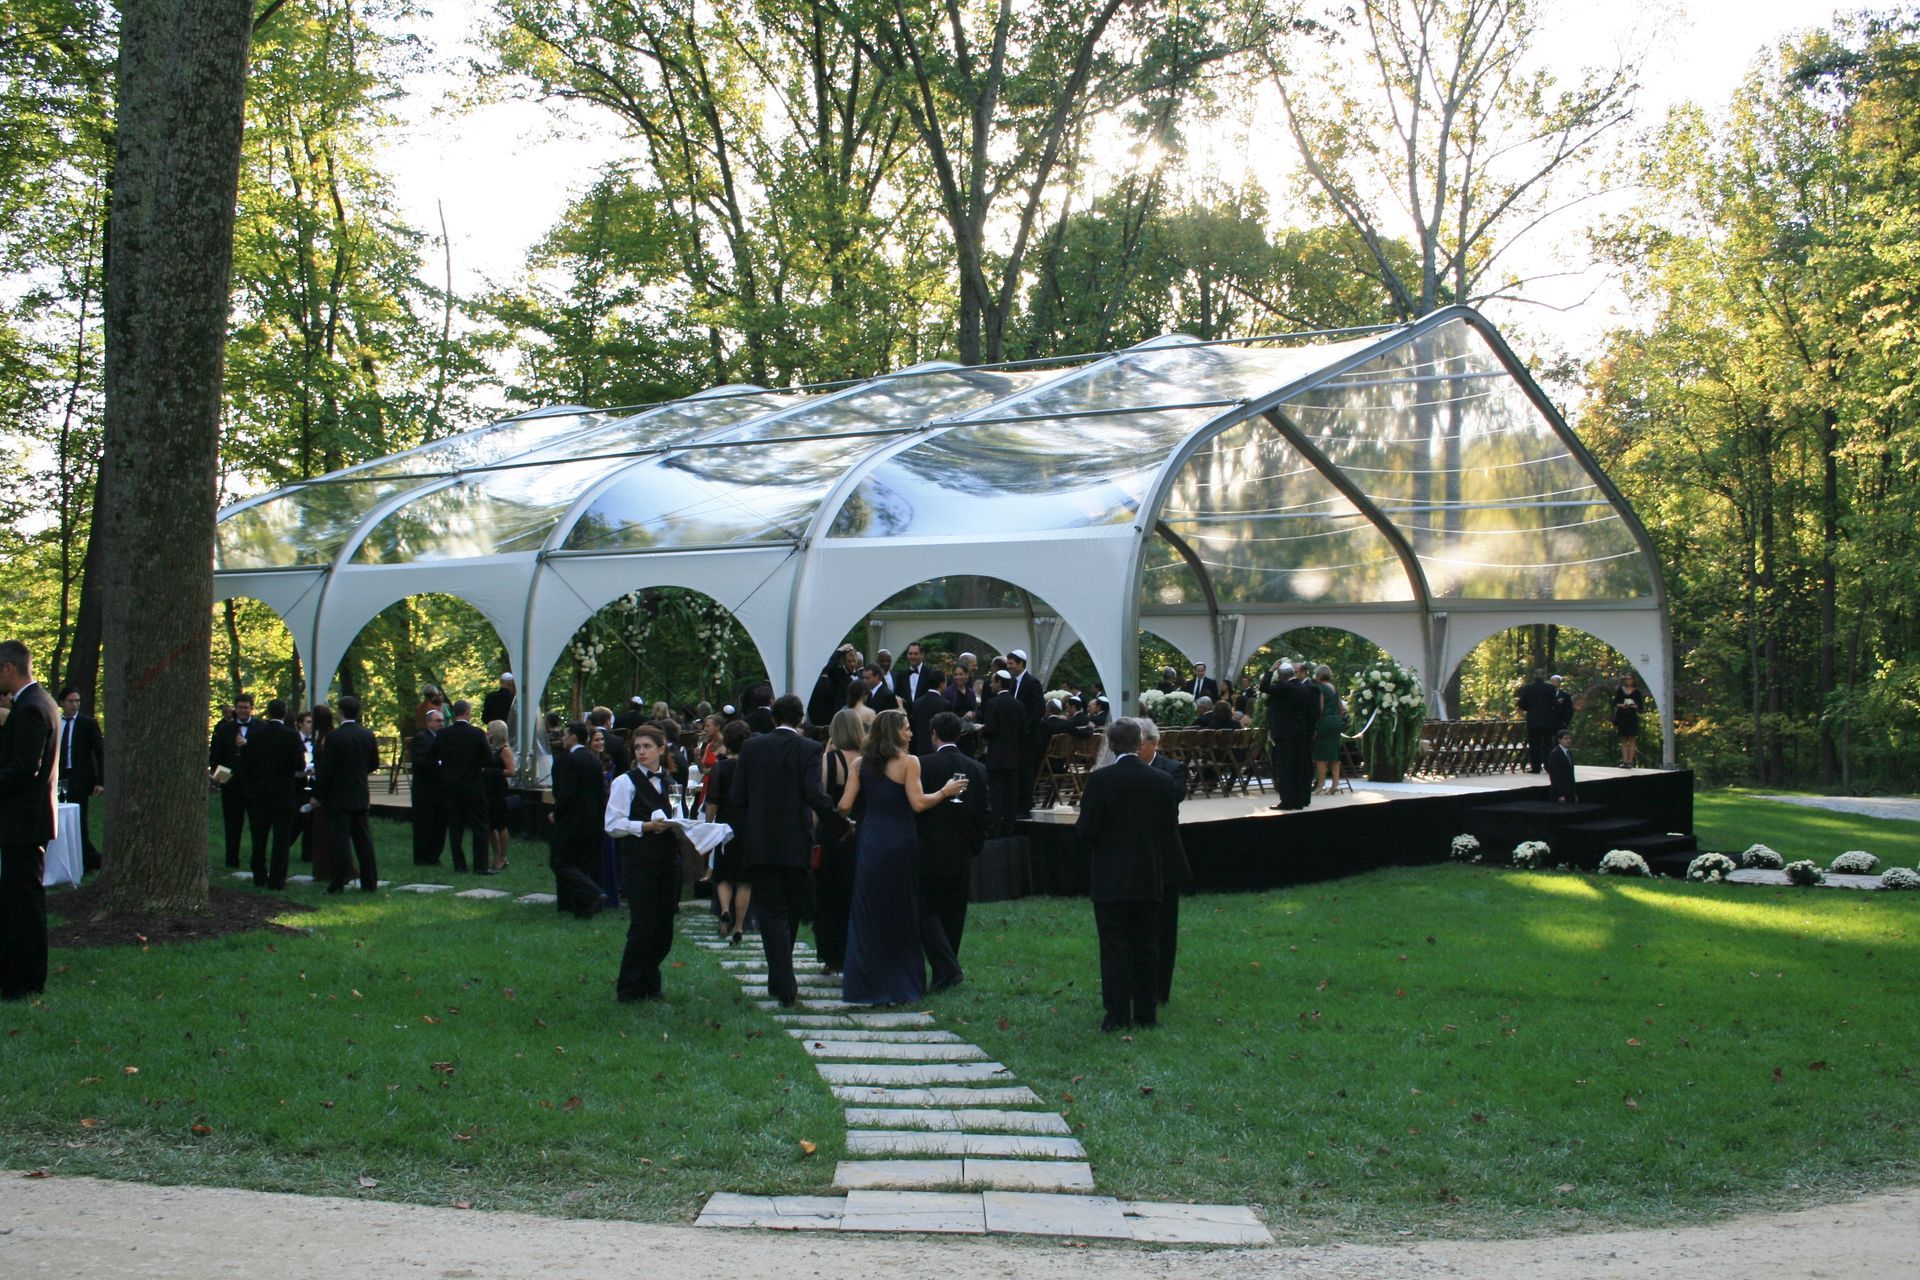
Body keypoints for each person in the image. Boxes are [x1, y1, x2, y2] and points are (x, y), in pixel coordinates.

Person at [835, 709, 967, 1006]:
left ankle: (866, 985)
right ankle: (899, 985)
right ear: (894, 732)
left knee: (870, 910)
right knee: (901, 911)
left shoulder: (859, 764)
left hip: (872, 841)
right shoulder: (909, 763)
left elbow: (843, 805)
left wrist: (855, 822)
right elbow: (918, 803)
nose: (910, 733)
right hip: (902, 842)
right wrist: (945, 792)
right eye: (906, 729)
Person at [729, 693, 847, 1007]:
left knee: (770, 912)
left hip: (761, 840)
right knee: (790, 911)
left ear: (772, 718)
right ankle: (784, 981)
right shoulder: (809, 748)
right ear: (799, 718)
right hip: (796, 840)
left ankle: (779, 978)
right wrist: (840, 826)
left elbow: (737, 796)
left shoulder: (752, 747)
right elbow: (815, 795)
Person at [1074, 718, 1182, 1032]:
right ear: (1138, 743)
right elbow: (1168, 828)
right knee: (1148, 944)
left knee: (1114, 946)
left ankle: (1118, 1012)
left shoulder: (1100, 781)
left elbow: (1085, 830)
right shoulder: (1161, 781)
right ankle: (1147, 1012)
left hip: (1111, 876)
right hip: (1149, 874)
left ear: (1110, 744)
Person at [606, 725, 683, 1002]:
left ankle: (650, 981)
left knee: (664, 928)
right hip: (639, 862)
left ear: (661, 749)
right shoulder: (624, 782)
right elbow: (613, 825)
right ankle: (629, 988)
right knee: (642, 925)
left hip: (667, 861)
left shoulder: (670, 782)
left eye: (647, 746)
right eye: (637, 747)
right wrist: (647, 826)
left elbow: (678, 816)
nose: (641, 752)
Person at [0, 639, 58, 1001]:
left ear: (8, 669)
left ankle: (25, 980)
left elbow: (24, 769)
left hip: (24, 822)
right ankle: (14, 973)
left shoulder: (32, 708)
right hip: (22, 822)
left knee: (24, 904)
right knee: (16, 900)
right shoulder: (36, 703)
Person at [917, 711, 986, 993]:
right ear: (958, 735)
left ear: (933, 734)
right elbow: (983, 811)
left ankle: (946, 969)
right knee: (954, 912)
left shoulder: (923, 766)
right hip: (961, 850)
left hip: (928, 849)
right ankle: (947, 966)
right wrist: (974, 844)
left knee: (925, 910)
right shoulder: (976, 769)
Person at [1136, 719, 1192, 1009]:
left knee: (1165, 927)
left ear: (1153, 744)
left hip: (1165, 857)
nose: (1135, 750)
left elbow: (1175, 796)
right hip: (1134, 858)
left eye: (1140, 743)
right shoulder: (1126, 771)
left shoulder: (1172, 769)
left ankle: (1160, 990)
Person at [814, 709, 866, 973]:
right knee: (857, 893)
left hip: (833, 831)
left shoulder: (829, 761)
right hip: (863, 831)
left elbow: (818, 799)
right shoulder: (869, 759)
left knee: (831, 894)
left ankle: (831, 955)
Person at [316, 695, 380, 893]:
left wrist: (319, 793)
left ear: (340, 712)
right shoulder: (367, 735)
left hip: (339, 795)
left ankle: (338, 882)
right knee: (364, 840)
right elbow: (374, 764)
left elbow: (327, 769)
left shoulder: (334, 737)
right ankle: (370, 882)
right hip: (360, 792)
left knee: (340, 841)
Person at [242, 698, 305, 889]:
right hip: (283, 794)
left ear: (268, 713)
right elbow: (299, 765)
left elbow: (247, 765)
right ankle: (277, 879)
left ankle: (259, 875)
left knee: (259, 838)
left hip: (259, 794)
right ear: (284, 713)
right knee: (281, 839)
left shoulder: (254, 735)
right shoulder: (292, 736)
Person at [548, 722, 606, 919]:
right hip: (592, 820)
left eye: (565, 735)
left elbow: (566, 793)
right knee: (582, 863)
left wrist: (557, 813)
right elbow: (600, 794)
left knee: (559, 861)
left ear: (573, 736)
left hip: (572, 820)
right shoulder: (594, 760)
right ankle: (583, 908)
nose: (563, 738)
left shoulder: (571, 760)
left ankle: (591, 892)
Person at [704, 719, 753, 945]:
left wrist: (709, 823)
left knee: (723, 874)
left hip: (725, 825)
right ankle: (740, 925)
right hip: (748, 825)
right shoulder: (753, 768)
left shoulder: (720, 768)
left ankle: (725, 910)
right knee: (744, 879)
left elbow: (712, 801)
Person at [434, 700, 492, 874]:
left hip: (451, 786)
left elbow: (432, 756)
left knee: (455, 827)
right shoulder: (477, 734)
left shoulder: (443, 734)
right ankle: (480, 865)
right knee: (480, 826)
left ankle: (459, 865)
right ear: (468, 713)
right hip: (473, 785)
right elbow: (488, 759)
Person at [57, 688, 105, 871]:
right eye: (71, 701)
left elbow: (100, 752)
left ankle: (87, 858)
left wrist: (100, 781)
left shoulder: (87, 723)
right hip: (61, 777)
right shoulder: (56, 722)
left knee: (79, 819)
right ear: (62, 702)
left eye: (77, 701)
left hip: (80, 778)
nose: (75, 705)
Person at [1260, 661, 1318, 811]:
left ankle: (1286, 801)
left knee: (1285, 769)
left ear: (1280, 676)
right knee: (1297, 768)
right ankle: (1298, 800)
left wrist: (1270, 669)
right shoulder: (1303, 688)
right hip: (1299, 733)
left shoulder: (1284, 687)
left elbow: (1263, 687)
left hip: (1284, 734)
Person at [208, 692, 255, 867]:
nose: (243, 710)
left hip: (252, 783)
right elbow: (217, 756)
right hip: (231, 784)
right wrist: (220, 778)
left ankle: (256, 860)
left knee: (257, 824)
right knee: (232, 824)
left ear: (252, 709)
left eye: (246, 707)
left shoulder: (259, 727)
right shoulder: (225, 729)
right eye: (240, 707)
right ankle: (231, 859)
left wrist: (248, 744)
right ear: (235, 709)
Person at [306, 704, 349, 886]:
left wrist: (318, 792)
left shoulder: (326, 739)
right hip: (327, 787)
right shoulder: (325, 737)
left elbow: (327, 768)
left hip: (328, 791)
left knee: (326, 832)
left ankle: (328, 869)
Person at [979, 669, 1025, 836]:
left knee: (996, 793)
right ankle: (1009, 826)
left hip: (997, 756)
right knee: (1011, 794)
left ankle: (994, 828)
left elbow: (990, 728)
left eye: (992, 681)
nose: (991, 685)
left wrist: (982, 732)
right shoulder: (1018, 704)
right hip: (1013, 756)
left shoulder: (993, 703)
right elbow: (1022, 729)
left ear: (999, 682)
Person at [1005, 649, 1045, 819]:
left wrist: (1026, 727)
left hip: (1027, 737)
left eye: (1011, 664)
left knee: (1026, 772)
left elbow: (1039, 708)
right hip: (1015, 737)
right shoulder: (1013, 683)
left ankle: (1025, 806)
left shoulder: (1032, 682)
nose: (1009, 668)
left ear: (1021, 664)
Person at [409, 707, 446, 866]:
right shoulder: (421, 738)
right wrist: (438, 764)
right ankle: (422, 856)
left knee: (439, 823)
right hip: (424, 789)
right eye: (438, 721)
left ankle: (434, 855)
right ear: (428, 722)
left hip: (440, 787)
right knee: (424, 823)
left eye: (442, 721)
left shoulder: (442, 737)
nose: (441, 724)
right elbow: (420, 762)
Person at [484, 720, 515, 873]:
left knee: (500, 823)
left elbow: (511, 770)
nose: (487, 732)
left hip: (498, 789)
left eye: (489, 730)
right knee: (490, 825)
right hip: (488, 789)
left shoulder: (504, 750)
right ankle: (496, 854)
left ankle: (503, 855)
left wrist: (491, 772)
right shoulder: (491, 748)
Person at [1311, 665, 1346, 797]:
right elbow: (1341, 708)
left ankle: (1320, 785)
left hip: (1324, 722)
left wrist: (1315, 724)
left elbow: (1319, 709)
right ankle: (1335, 784)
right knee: (1334, 754)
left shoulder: (1320, 689)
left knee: (1320, 756)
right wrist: (1337, 719)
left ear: (1319, 676)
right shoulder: (1334, 688)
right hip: (1336, 722)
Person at [1516, 667, 1559, 774]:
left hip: (1533, 720)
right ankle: (1549, 766)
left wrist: (1530, 708)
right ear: (1544, 676)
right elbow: (1555, 703)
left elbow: (1522, 704)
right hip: (1547, 721)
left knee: (1534, 745)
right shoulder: (1550, 688)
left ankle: (1536, 767)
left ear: (1534, 676)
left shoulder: (1528, 688)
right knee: (1548, 744)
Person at [809, 644, 859, 726]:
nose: (852, 664)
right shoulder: (836, 673)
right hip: (837, 715)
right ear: (843, 661)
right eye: (849, 661)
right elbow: (827, 668)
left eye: (854, 661)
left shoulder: (860, 675)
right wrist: (839, 652)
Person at [1613, 674, 1649, 767]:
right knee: (1623, 739)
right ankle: (1624, 761)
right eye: (1626, 679)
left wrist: (1633, 705)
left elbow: (1640, 706)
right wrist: (1621, 705)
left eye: (1630, 679)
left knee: (1632, 738)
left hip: (1632, 717)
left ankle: (1630, 761)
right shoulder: (1620, 690)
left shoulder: (1636, 691)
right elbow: (1615, 702)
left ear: (1633, 680)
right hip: (1622, 716)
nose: (1628, 681)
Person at [908, 678, 947, 758]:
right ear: (942, 684)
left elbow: (913, 726)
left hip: (919, 748)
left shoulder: (917, 702)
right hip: (937, 749)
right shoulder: (944, 704)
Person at [481, 673, 516, 745]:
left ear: (500, 682)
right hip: (511, 737)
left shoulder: (490, 697)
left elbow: (484, 718)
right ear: (512, 684)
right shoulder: (514, 700)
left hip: (493, 735)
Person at [1547, 728, 1578, 802]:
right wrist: (1560, 794)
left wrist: (1574, 793)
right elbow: (1554, 776)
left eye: (1570, 738)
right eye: (1566, 738)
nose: (1568, 741)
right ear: (1559, 740)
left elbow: (1571, 774)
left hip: (1569, 792)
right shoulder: (1554, 754)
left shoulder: (1569, 753)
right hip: (1560, 794)